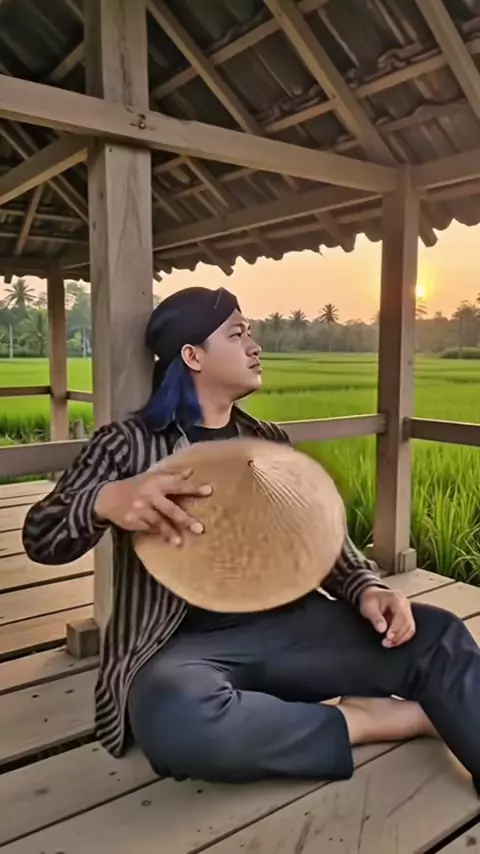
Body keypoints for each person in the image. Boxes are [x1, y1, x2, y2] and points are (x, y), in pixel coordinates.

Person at [23, 286, 480, 791]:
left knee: (437, 635)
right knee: (177, 720)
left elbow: (319, 536)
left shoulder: (268, 440)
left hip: (291, 629)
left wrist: (367, 587)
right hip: (185, 649)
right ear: (193, 356)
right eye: (237, 334)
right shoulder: (126, 445)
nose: (254, 345)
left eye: (250, 333)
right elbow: (41, 536)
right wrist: (104, 500)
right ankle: (370, 721)